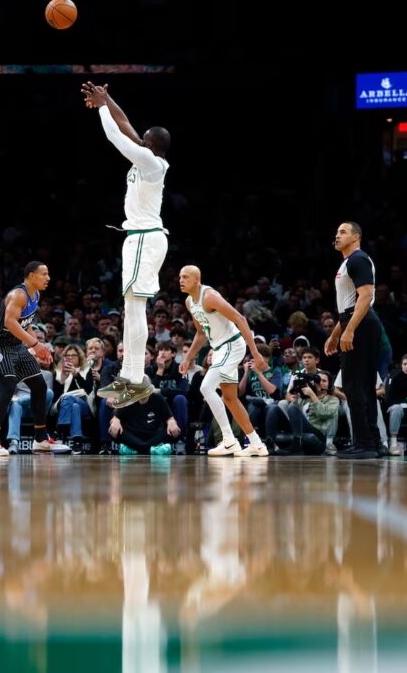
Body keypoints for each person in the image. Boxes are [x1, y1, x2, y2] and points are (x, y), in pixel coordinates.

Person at [82, 81, 170, 409]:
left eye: (143, 138)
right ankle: (132, 377)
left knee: (135, 311)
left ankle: (134, 379)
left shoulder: (151, 163)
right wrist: (108, 99)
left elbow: (115, 135)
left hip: (144, 238)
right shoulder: (148, 157)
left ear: (149, 145)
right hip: (142, 239)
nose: (138, 137)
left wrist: (102, 107)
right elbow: (127, 125)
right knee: (133, 310)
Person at [177, 266, 270, 457]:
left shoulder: (209, 296)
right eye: (180, 277)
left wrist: (255, 353)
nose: (181, 280)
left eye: (185, 277)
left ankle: (229, 440)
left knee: (206, 387)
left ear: (197, 280)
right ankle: (256, 444)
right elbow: (201, 333)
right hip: (219, 349)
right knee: (230, 398)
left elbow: (240, 318)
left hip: (232, 345)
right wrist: (188, 357)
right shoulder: (189, 302)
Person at [0, 262, 68, 457]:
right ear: (30, 275)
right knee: (8, 385)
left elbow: (25, 324)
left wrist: (35, 346)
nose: (48, 278)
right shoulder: (18, 294)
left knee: (39, 386)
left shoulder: (35, 295)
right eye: (44, 274)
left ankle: (40, 439)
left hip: (16, 345)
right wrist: (36, 345)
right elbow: (10, 322)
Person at [326, 222, 381, 459]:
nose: (337, 235)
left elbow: (365, 297)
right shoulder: (347, 262)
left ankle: (365, 444)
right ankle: (373, 443)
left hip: (360, 323)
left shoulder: (358, 259)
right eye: (336, 232)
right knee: (364, 386)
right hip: (356, 320)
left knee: (353, 385)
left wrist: (349, 331)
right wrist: (336, 333)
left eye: (343, 232)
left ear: (356, 237)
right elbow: (348, 306)